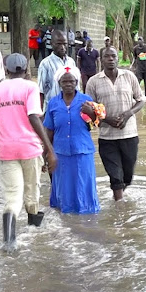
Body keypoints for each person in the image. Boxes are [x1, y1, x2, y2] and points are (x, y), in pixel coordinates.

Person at [0, 53, 57, 250]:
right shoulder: (30, 87)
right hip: (29, 148)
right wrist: (49, 149)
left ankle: (9, 242)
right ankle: (34, 234)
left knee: (12, 197)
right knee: (32, 192)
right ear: (26, 70)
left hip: (6, 150)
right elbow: (34, 117)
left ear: (6, 70)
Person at [86, 47, 145, 201]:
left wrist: (127, 114)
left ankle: (119, 193)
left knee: (127, 176)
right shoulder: (93, 82)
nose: (110, 59)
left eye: (113, 56)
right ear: (101, 60)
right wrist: (106, 119)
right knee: (115, 175)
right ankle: (119, 207)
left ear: (118, 59)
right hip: (107, 137)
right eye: (107, 56)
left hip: (130, 134)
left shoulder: (129, 76)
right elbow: (89, 110)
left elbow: (140, 100)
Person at [43, 66, 100, 214]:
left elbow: (96, 123)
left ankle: (85, 218)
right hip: (60, 154)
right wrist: (46, 154)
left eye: (71, 81)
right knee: (64, 189)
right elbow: (49, 130)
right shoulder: (53, 104)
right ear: (59, 83)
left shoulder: (86, 101)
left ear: (76, 82)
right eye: (64, 81)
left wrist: (92, 114)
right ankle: (66, 219)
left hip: (82, 152)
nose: (68, 84)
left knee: (83, 186)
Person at [37, 30, 77, 110]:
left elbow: (76, 87)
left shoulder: (71, 62)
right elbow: (40, 91)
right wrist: (40, 113)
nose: (62, 47)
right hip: (53, 109)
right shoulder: (45, 64)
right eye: (58, 44)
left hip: (71, 108)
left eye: (64, 44)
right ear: (51, 44)